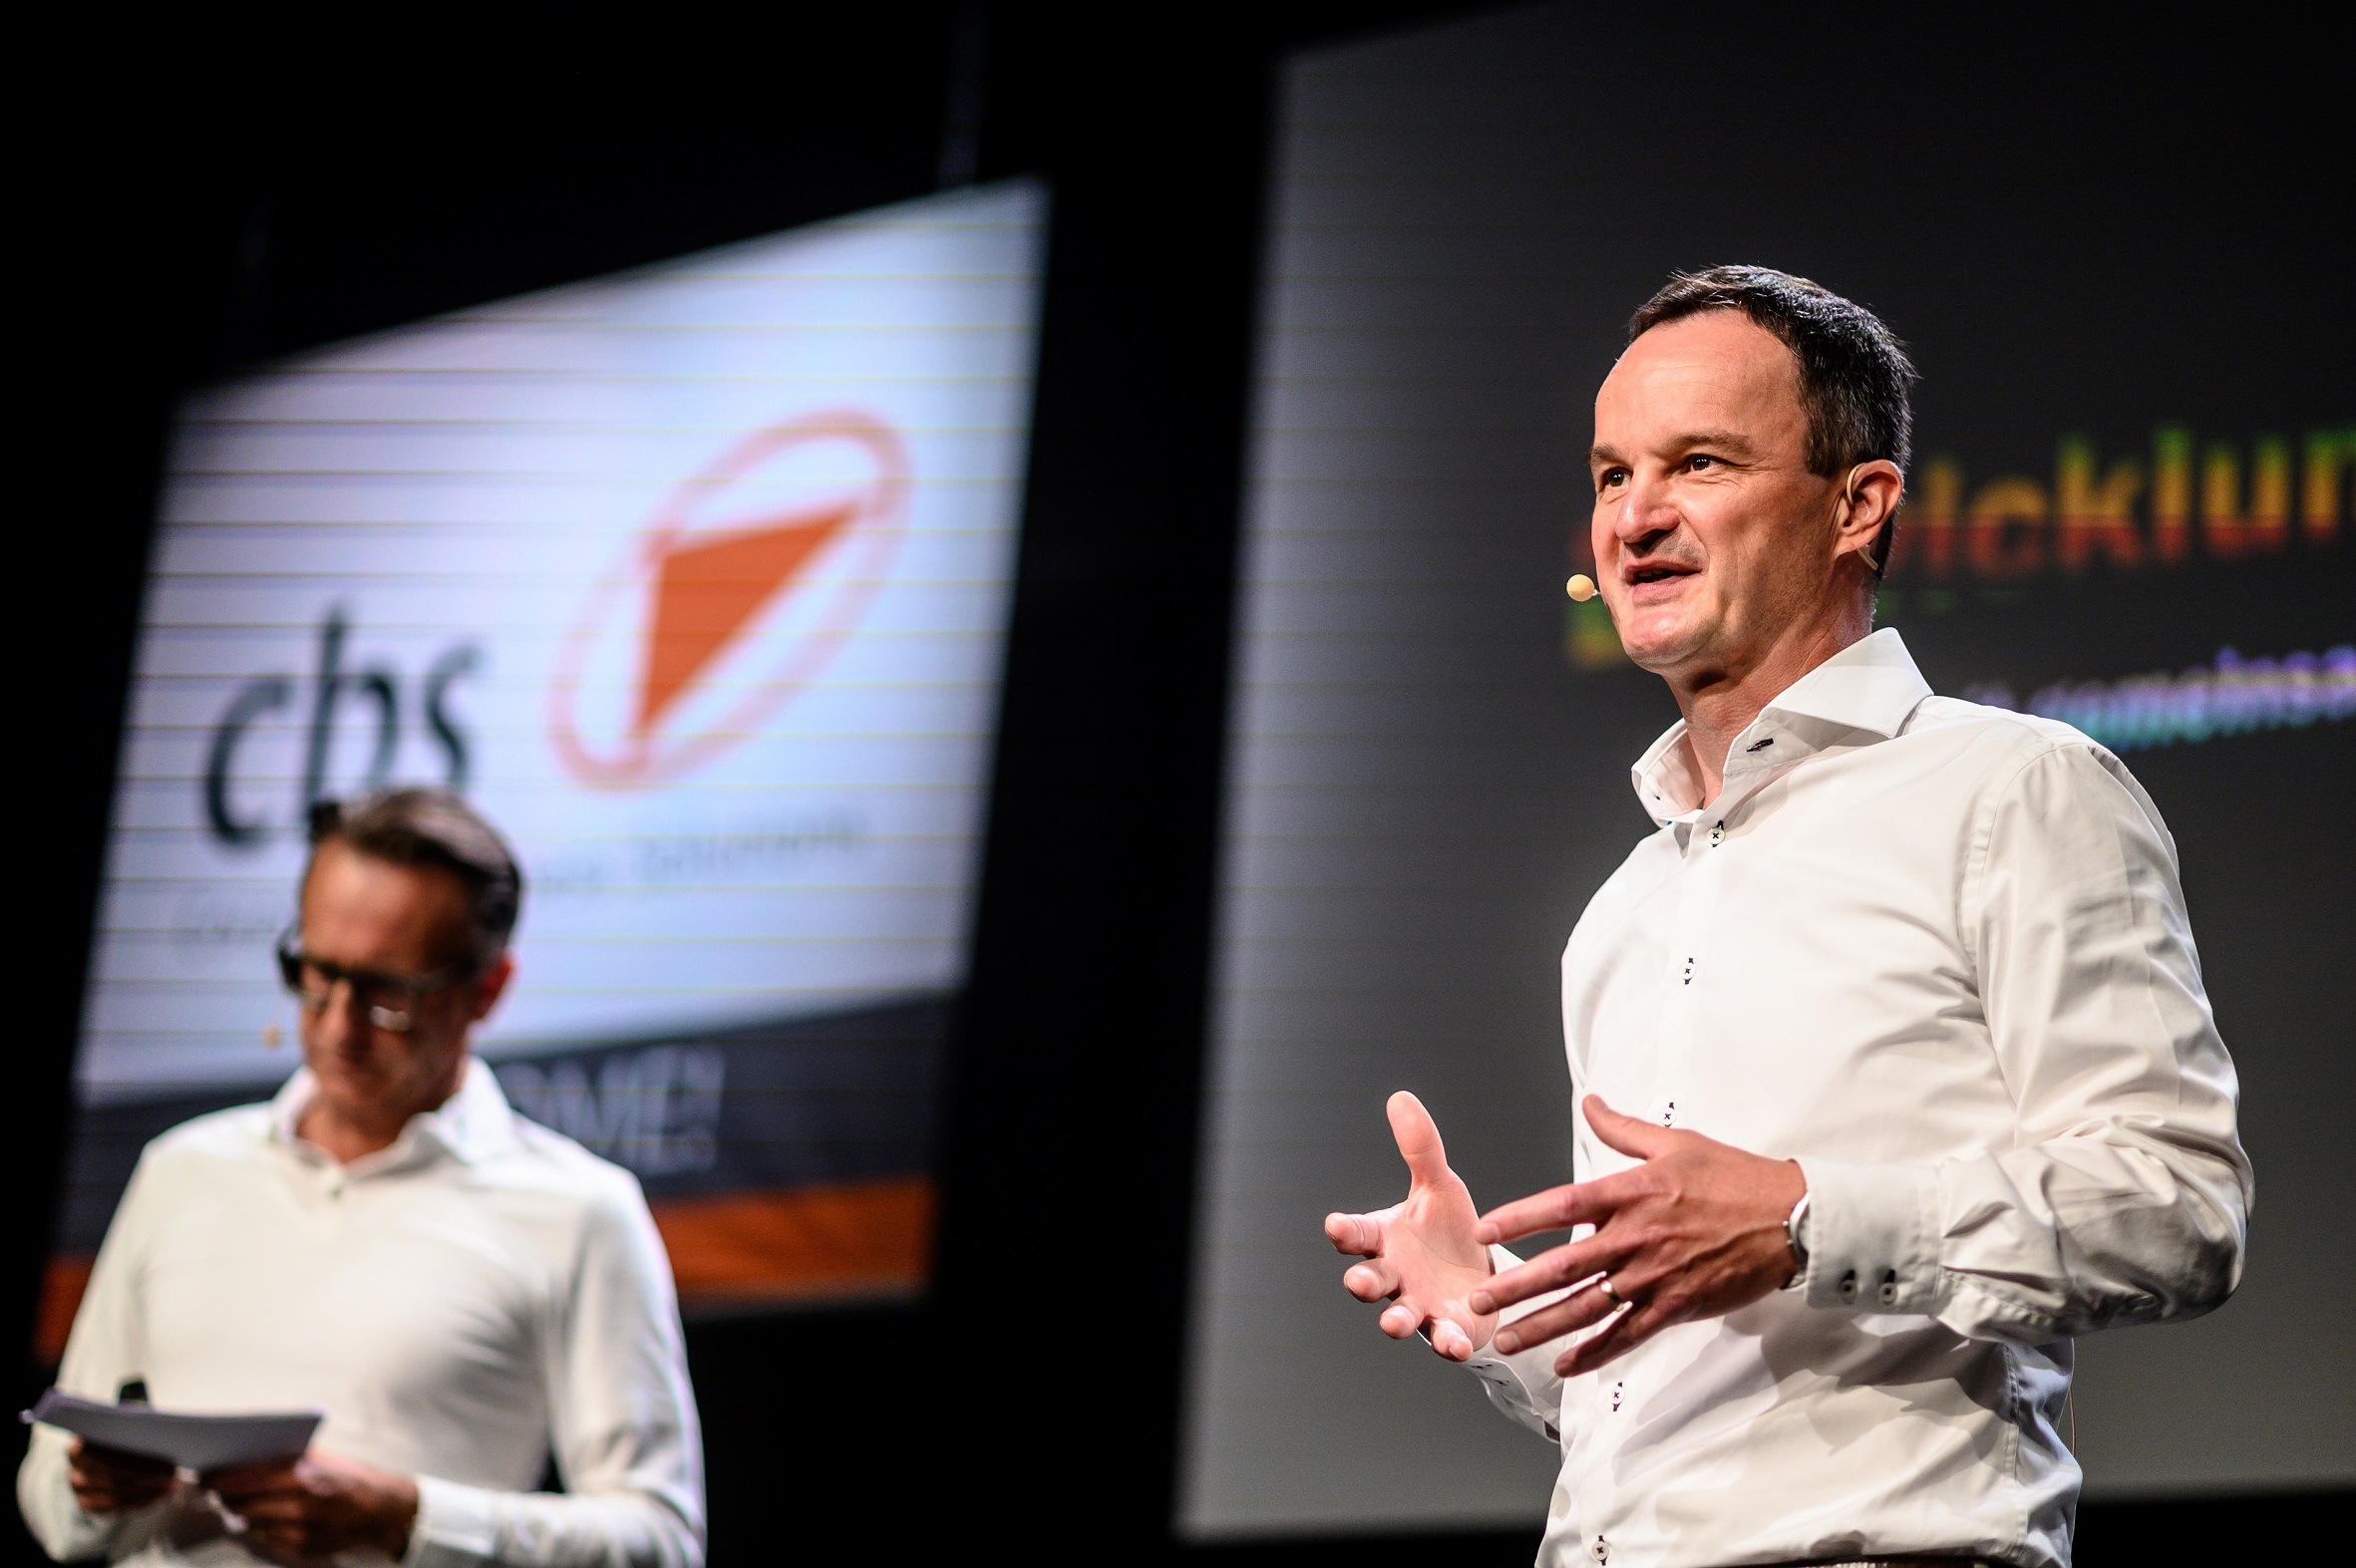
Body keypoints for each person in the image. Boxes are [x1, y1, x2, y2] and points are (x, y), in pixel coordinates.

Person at [1324, 266, 2249, 1568]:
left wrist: (1803, 1220)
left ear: (1855, 505)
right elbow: (1653, 1406)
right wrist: (1494, 1316)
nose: (1633, 515)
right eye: (1609, 474)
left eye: (1696, 463)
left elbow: (2176, 1208)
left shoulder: (2010, 790)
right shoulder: (1625, 907)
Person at [20, 789, 705, 1567]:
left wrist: (406, 1519)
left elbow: (661, 1540)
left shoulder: (579, 1211)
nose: (338, 1025)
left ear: (487, 988)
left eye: (388, 993)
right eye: (317, 972)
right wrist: (90, 1490)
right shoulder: (182, 1169)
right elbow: (49, 1501)